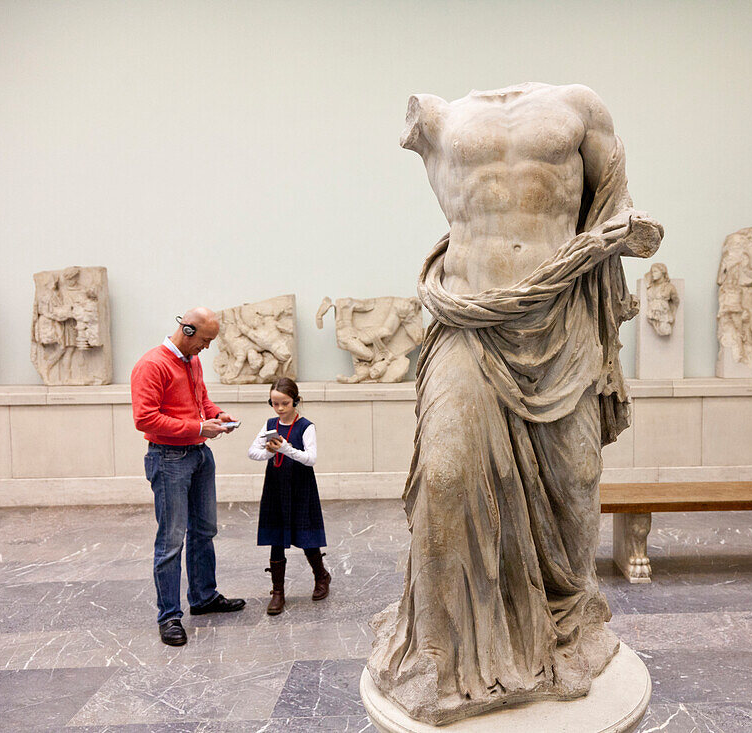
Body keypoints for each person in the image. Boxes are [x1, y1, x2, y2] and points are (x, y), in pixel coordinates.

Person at [366, 83, 662, 724]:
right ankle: (437, 654)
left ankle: (567, 621)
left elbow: (614, 203)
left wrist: (619, 239)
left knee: (576, 484)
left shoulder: (582, 105)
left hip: (560, 327)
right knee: (444, 475)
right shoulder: (439, 116)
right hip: (469, 323)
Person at [131, 307, 246, 646]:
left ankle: (203, 597)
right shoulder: (151, 365)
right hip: (169, 459)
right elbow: (145, 419)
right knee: (171, 540)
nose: (207, 349)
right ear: (189, 330)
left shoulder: (191, 361)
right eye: (206, 341)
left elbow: (201, 400)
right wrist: (198, 426)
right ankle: (169, 616)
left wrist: (216, 415)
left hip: (198, 455)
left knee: (205, 530)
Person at [247, 377, 330, 613]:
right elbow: (252, 452)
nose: (280, 408)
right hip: (276, 485)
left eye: (285, 403)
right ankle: (278, 592)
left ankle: (321, 576)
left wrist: (285, 449)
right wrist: (268, 450)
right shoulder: (270, 424)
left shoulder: (306, 426)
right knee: (276, 537)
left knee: (306, 536)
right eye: (275, 403)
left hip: (301, 485)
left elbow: (310, 458)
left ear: (295, 401)